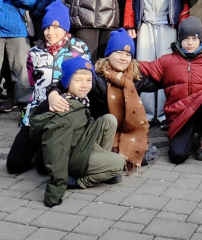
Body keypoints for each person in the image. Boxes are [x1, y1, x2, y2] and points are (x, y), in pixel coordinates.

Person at [41, 28, 158, 174]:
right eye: (118, 52)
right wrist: (53, 93)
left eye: (128, 54)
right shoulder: (96, 75)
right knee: (124, 157)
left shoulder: (135, 78)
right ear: (108, 55)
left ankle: (110, 160)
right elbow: (62, 83)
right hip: (99, 128)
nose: (123, 58)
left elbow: (162, 80)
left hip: (124, 131)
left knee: (145, 154)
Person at [27, 56, 127, 207]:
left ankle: (101, 165)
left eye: (88, 80)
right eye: (78, 80)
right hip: (73, 157)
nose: (84, 85)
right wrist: (55, 191)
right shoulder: (64, 111)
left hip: (82, 142)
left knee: (109, 120)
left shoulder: (80, 99)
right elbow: (56, 151)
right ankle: (78, 181)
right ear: (67, 83)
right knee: (118, 162)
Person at [140, 18, 202, 164]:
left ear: (200, 40)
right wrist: (118, 64)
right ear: (180, 40)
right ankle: (186, 137)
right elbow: (144, 68)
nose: (189, 43)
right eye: (186, 38)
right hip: (179, 115)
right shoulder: (167, 61)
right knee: (177, 156)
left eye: (194, 38)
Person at [123, 0, 185, 127]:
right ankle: (148, 114)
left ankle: (167, 113)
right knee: (145, 68)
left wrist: (181, 25)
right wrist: (130, 23)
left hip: (168, 24)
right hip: (147, 24)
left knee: (168, 69)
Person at [20, 0, 90, 127]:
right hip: (39, 109)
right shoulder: (34, 51)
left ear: (65, 28)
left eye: (56, 27)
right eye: (47, 28)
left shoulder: (79, 50)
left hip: (68, 108)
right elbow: (31, 82)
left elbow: (86, 80)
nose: (50, 33)